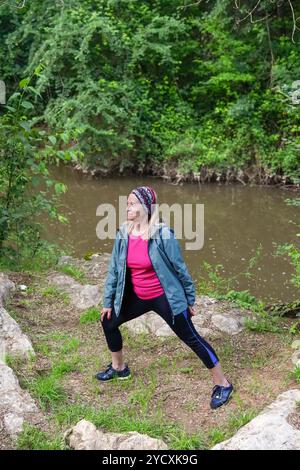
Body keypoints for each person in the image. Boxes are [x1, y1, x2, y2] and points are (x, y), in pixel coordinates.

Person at [97, 185, 233, 409]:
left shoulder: (162, 235)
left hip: (165, 296)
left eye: (132, 203)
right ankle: (119, 369)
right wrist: (108, 301)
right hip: (138, 296)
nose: (127, 207)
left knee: (191, 337)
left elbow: (181, 270)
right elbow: (114, 269)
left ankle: (223, 383)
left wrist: (188, 301)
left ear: (145, 208)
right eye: (127, 203)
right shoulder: (123, 232)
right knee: (108, 321)